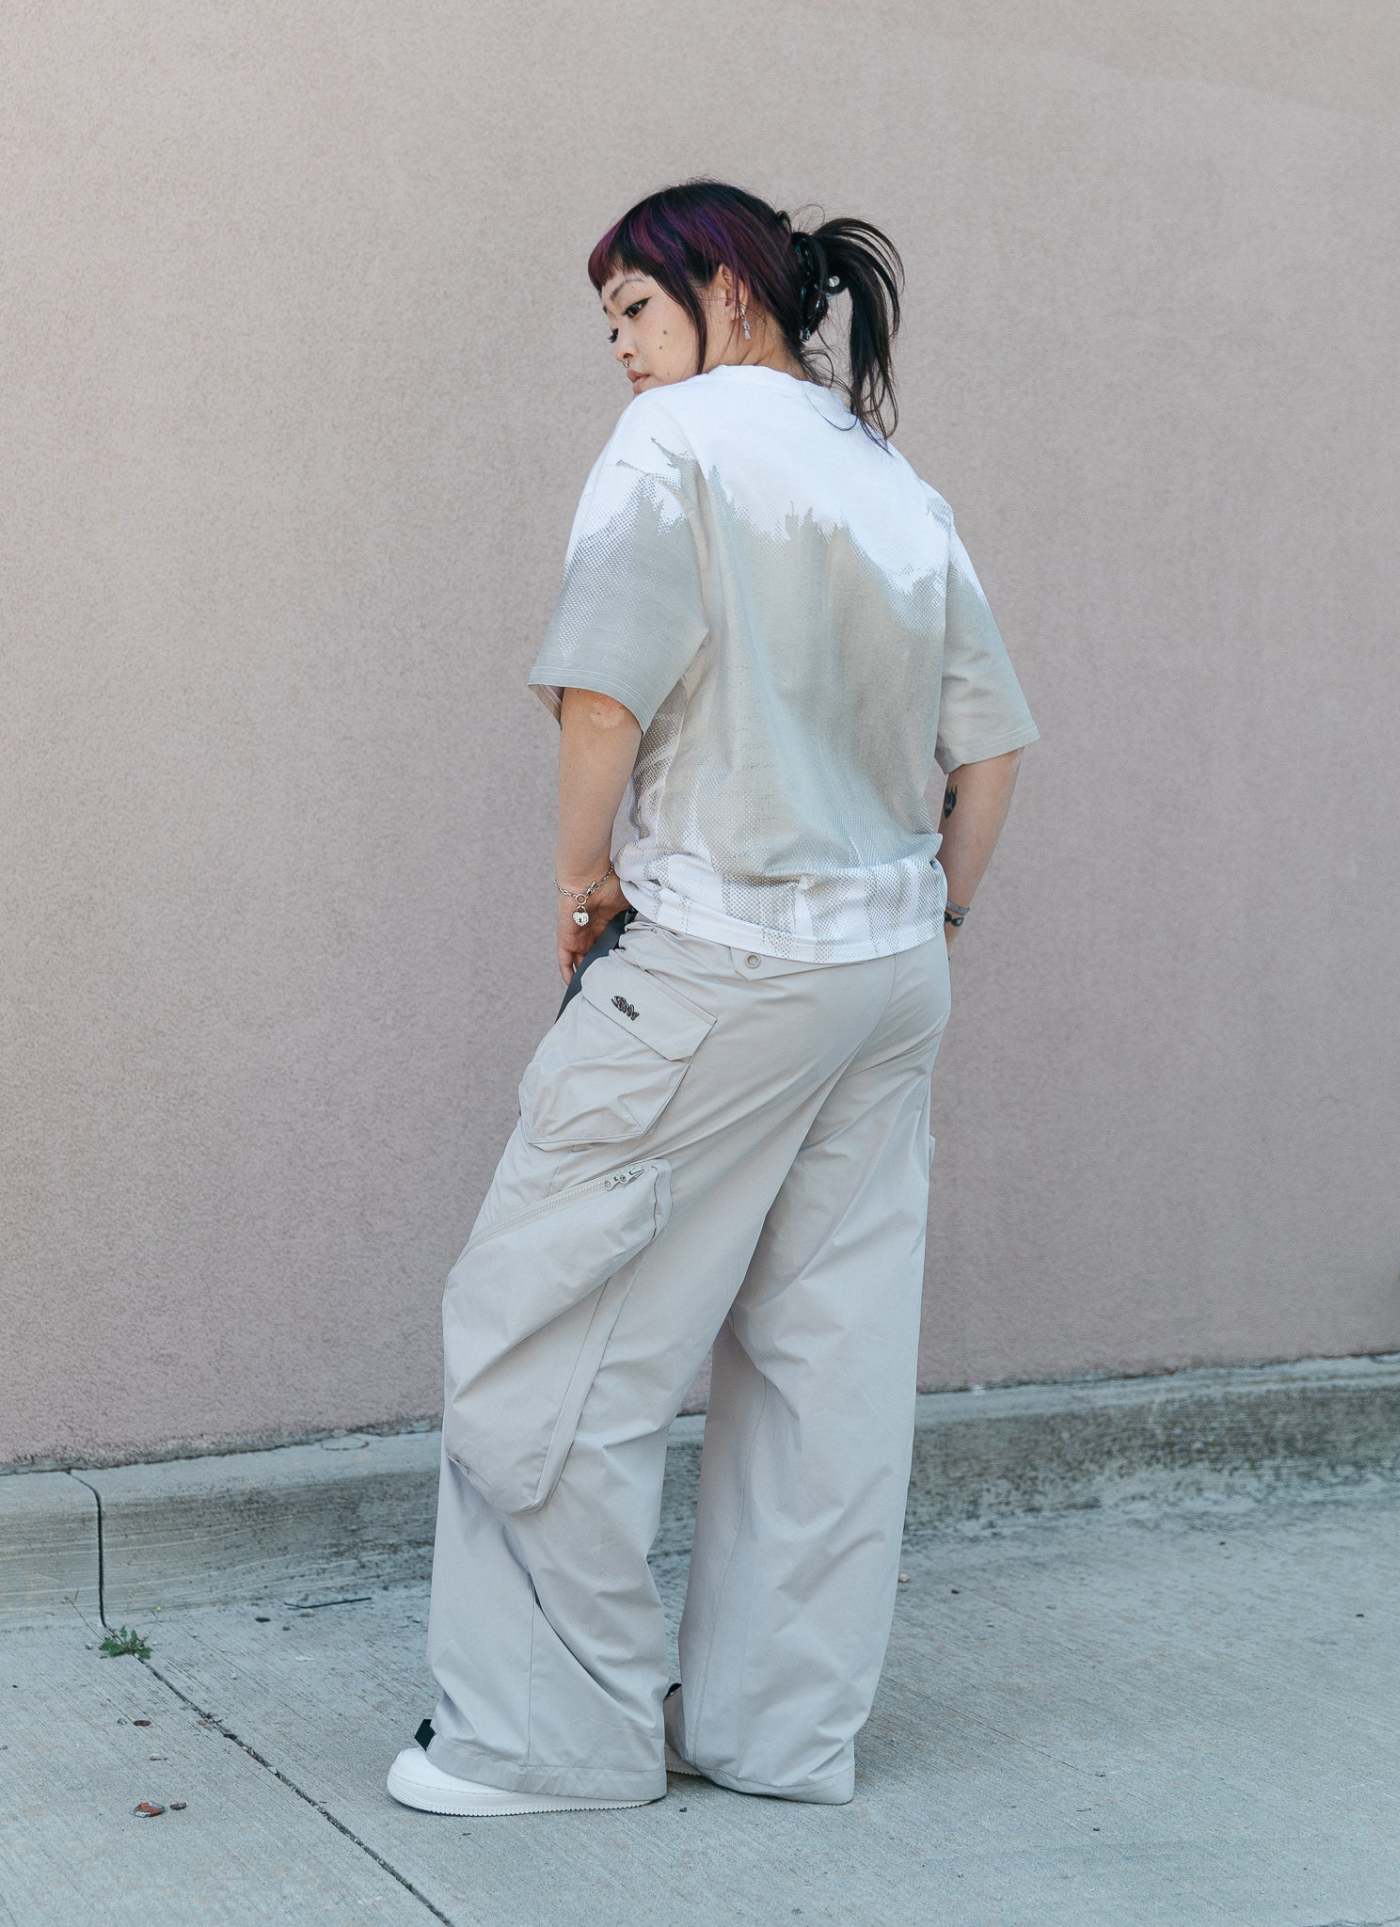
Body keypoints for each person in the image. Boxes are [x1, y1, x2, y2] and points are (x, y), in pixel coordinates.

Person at [387, 177, 1041, 1818]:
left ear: (729, 294)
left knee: (545, 1333)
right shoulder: (889, 478)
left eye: (634, 307)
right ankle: (775, 1733)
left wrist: (580, 882)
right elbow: (989, 753)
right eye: (605, 319)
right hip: (886, 977)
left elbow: (602, 698)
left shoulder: (673, 446)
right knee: (827, 1366)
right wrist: (931, 919)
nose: (616, 344)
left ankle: (542, 1741)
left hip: (716, 958)